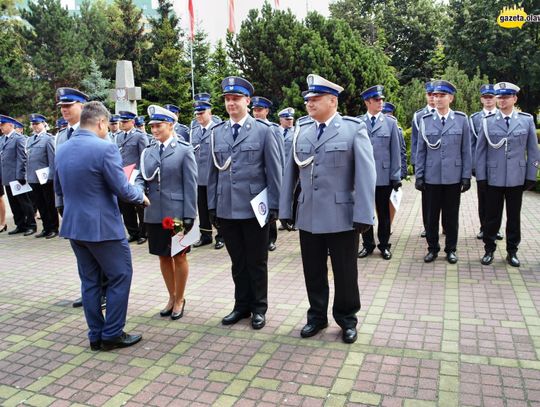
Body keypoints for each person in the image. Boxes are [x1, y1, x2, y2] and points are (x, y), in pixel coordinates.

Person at [279, 74, 376, 343]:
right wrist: (286, 209)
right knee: (313, 270)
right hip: (308, 214)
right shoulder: (302, 130)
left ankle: (347, 319)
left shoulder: (352, 129)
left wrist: (364, 214)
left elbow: (366, 175)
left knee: (345, 271)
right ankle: (317, 317)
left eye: (316, 99)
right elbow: (291, 173)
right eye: (308, 99)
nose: (309, 104)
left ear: (332, 101)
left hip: (342, 216)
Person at [54, 101, 149, 351]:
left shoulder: (62, 149)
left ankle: (95, 335)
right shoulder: (104, 148)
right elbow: (122, 188)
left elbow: (59, 191)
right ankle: (112, 334)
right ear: (101, 122)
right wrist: (140, 194)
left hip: (75, 226)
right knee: (120, 275)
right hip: (103, 228)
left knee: (90, 282)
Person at [207, 76, 282, 330]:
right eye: (227, 100)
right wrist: (211, 206)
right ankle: (241, 306)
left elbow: (274, 171)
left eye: (236, 99)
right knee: (238, 262)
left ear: (247, 101)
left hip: (254, 209)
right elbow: (213, 173)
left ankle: (259, 308)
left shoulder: (264, 131)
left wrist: (274, 205)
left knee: (257, 262)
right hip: (227, 207)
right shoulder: (217, 133)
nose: (231, 103)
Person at [137, 105, 198, 320]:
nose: (154, 130)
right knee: (163, 256)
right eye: (152, 126)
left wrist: (190, 214)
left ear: (170, 125)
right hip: (155, 212)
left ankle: (180, 298)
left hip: (176, 214)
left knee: (179, 256)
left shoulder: (184, 149)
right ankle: (171, 296)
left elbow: (190, 184)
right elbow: (142, 177)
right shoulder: (148, 151)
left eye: (158, 125)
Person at [476, 82, 540, 267]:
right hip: (493, 177)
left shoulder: (526, 120)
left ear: (514, 99)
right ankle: (489, 249)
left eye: (506, 97)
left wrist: (531, 174)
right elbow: (480, 152)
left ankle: (512, 250)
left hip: (516, 177)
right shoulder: (487, 122)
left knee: (514, 216)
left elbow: (533, 151)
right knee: (491, 216)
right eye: (499, 97)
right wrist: (481, 177)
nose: (502, 100)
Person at [415, 80, 472, 264]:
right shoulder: (425, 120)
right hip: (432, 177)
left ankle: (451, 249)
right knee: (431, 217)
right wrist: (419, 175)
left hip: (453, 177)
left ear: (451, 98)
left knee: (451, 217)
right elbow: (421, 150)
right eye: (435, 95)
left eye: (442, 96)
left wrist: (465, 176)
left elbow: (466, 151)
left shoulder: (462, 120)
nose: (437, 99)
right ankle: (432, 248)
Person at [55, 87, 91, 309]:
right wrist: (59, 202)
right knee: (82, 255)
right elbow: (56, 172)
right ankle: (88, 289)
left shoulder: (96, 131)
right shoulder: (60, 136)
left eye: (69, 106)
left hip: (93, 205)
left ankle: (102, 291)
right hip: (71, 206)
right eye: (62, 107)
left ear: (82, 107)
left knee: (99, 253)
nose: (64, 110)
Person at [357, 86, 401, 260]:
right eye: (376, 100)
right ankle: (367, 245)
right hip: (363, 177)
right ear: (367, 102)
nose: (380, 102)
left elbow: (395, 152)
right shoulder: (359, 123)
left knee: (383, 214)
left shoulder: (390, 123)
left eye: (381, 99)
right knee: (365, 212)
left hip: (383, 176)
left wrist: (395, 176)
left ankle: (384, 245)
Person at [190, 93, 225, 250]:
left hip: (214, 177)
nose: (199, 116)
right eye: (197, 113)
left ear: (210, 112)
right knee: (202, 209)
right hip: (198, 177)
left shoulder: (218, 130)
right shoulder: (194, 131)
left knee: (215, 208)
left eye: (202, 112)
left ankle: (221, 236)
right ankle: (205, 236)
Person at [469, 84, 503, 241]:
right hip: (482, 164)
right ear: (481, 99)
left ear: (496, 98)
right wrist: (474, 165)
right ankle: (484, 227)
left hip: (499, 165)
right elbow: (472, 144)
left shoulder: (503, 116)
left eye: (491, 97)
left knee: (498, 200)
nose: (489, 100)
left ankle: (495, 229)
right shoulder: (475, 118)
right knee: (483, 198)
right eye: (486, 97)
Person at [251, 95, 284, 252]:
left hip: (269, 176)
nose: (256, 113)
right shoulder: (250, 129)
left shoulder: (274, 129)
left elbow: (279, 156)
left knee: (269, 209)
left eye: (259, 110)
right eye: (254, 110)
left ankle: (271, 239)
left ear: (267, 111)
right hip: (255, 178)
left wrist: (280, 177)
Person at [0, 115, 36, 235]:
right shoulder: (2, 139)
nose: (1, 128)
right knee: (13, 203)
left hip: (16, 176)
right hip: (7, 177)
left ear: (10, 125)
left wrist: (21, 174)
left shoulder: (18, 138)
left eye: (2, 125)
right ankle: (20, 225)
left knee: (24, 202)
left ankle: (31, 225)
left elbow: (22, 157)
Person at [116, 110, 149, 245]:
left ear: (132, 122)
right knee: (125, 205)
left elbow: (145, 156)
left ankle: (143, 233)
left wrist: (141, 174)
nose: (122, 124)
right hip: (123, 175)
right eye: (121, 122)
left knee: (140, 205)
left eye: (125, 122)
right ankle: (132, 232)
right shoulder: (118, 137)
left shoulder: (139, 136)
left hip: (136, 176)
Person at [26, 114, 59, 238]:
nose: (35, 126)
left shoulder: (48, 139)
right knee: (40, 204)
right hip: (34, 177)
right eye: (33, 124)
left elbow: (52, 159)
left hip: (45, 178)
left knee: (49, 204)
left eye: (37, 124)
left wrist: (51, 176)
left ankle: (54, 228)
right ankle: (46, 227)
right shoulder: (30, 139)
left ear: (44, 124)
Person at [412, 82, 436, 238]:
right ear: (426, 96)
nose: (433, 98)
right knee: (427, 199)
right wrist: (416, 164)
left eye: (436, 95)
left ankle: (446, 227)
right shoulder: (419, 116)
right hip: (427, 165)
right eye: (430, 95)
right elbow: (415, 141)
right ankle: (428, 226)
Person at [382, 102, 407, 227]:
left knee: (392, 200)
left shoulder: (397, 129)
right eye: (384, 113)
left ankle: (389, 224)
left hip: (393, 172)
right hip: (381, 172)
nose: (386, 116)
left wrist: (401, 172)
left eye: (388, 114)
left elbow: (401, 151)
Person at [277, 107, 296, 231]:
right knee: (281, 195)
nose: (289, 121)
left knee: (293, 196)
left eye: (291, 119)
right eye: (287, 119)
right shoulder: (275, 131)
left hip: (291, 170)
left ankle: (293, 220)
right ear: (280, 120)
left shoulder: (296, 132)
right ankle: (282, 218)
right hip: (278, 170)